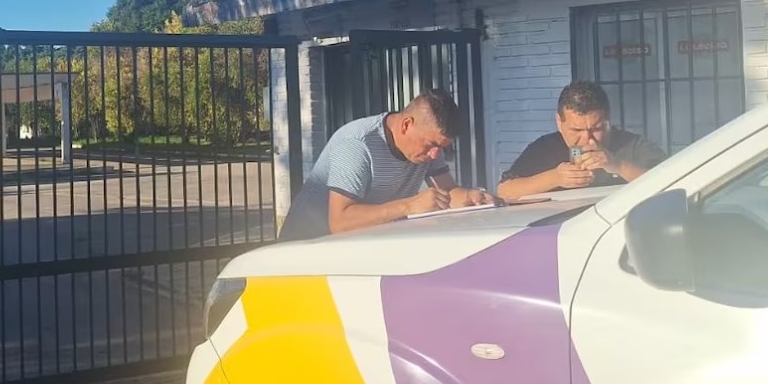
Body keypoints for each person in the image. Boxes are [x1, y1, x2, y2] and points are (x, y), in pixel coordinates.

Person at [276, 89, 494, 242]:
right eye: (432, 145)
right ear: (407, 125)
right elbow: (340, 222)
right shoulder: (358, 145)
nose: (435, 154)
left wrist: (472, 198)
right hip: (305, 254)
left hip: (356, 249)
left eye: (442, 147)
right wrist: (408, 206)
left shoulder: (426, 148)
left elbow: (447, 193)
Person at [496, 81, 667, 201]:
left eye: (597, 129)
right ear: (559, 122)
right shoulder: (545, 148)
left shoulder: (632, 145)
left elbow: (672, 182)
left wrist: (619, 166)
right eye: (576, 130)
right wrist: (555, 178)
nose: (587, 139)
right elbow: (504, 190)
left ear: (609, 120)